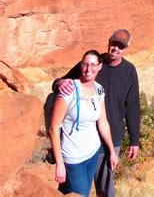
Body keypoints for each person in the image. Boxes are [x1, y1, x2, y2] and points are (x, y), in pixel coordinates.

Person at [54, 29, 140, 197]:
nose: (115, 48)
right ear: (109, 42)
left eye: (120, 46)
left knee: (105, 188)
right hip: (82, 140)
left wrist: (134, 140)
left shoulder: (129, 71)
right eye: (114, 43)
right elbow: (61, 81)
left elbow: (133, 107)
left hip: (111, 138)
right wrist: (60, 83)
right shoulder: (93, 64)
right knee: (75, 189)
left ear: (125, 49)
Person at [49, 50, 118, 196]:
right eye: (85, 64)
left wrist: (112, 151)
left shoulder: (99, 90)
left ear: (99, 66)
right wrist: (60, 164)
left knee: (78, 192)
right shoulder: (69, 90)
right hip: (73, 159)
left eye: (93, 65)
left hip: (92, 153)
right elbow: (54, 128)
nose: (89, 69)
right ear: (81, 65)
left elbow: (103, 123)